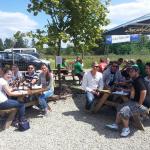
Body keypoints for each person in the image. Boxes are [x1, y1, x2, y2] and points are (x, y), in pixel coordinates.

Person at [106, 65, 148, 137]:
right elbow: (133, 89)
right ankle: (116, 125)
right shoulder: (135, 79)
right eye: (129, 71)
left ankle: (126, 129)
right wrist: (123, 89)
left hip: (141, 105)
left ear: (137, 72)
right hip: (133, 102)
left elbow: (144, 91)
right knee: (119, 107)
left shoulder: (139, 80)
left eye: (131, 71)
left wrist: (140, 103)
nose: (129, 73)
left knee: (124, 111)